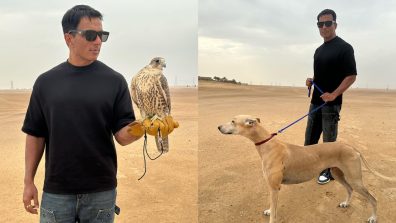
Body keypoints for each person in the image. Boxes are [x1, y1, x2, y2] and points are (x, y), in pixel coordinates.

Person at [22, 5, 142, 222]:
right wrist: (28, 181)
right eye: (90, 35)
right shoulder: (46, 83)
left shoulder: (115, 81)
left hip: (101, 191)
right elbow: (35, 134)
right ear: (69, 38)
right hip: (57, 191)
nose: (98, 41)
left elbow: (123, 136)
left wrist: (144, 127)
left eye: (102, 35)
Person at [305, 9, 357, 185]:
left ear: (335, 24)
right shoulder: (318, 50)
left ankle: (328, 172)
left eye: (328, 23)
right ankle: (309, 168)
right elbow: (323, 74)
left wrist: (334, 94)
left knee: (328, 143)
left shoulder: (344, 48)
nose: (324, 27)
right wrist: (312, 80)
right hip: (315, 102)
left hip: (331, 105)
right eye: (321, 24)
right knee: (310, 139)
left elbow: (351, 76)